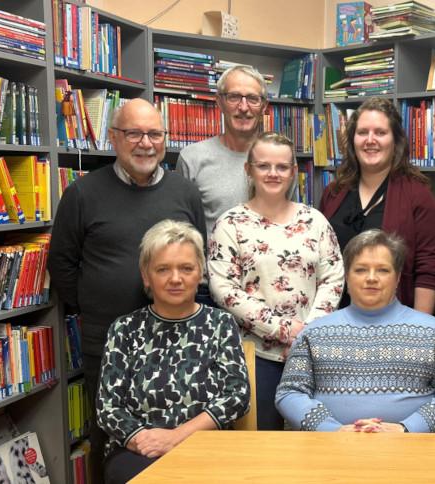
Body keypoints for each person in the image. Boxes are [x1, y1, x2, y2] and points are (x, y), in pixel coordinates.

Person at [48, 98, 205, 479]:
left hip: (178, 343)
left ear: (165, 139)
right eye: (134, 133)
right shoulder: (83, 194)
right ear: (114, 138)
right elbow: (62, 264)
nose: (146, 143)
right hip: (107, 342)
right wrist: (97, 305)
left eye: (154, 133)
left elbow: (199, 253)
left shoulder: (184, 192)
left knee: (182, 446)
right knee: (113, 443)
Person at [208, 132, 344, 430]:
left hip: (312, 352)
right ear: (249, 170)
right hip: (256, 354)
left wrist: (310, 332)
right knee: (261, 444)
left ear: (294, 171)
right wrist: (283, 329)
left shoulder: (315, 221)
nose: (273, 173)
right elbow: (224, 289)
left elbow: (333, 276)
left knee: (312, 440)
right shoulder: (229, 224)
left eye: (282, 167)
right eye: (263, 166)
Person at [97, 220, 249, 484]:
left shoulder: (221, 324)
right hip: (138, 450)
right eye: (163, 269)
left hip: (208, 446)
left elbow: (237, 396)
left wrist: (175, 437)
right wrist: (144, 440)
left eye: (186, 268)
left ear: (200, 271)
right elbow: (108, 407)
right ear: (146, 275)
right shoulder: (124, 329)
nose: (175, 278)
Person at [276, 229, 435, 432]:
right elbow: (290, 393)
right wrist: (332, 430)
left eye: (382, 270)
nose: (371, 278)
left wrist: (407, 429)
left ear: (397, 278)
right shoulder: (314, 334)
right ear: (347, 277)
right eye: (361, 270)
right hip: (330, 451)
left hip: (414, 452)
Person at [319, 97, 435, 313]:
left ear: (395, 141)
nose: (370, 140)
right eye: (363, 132)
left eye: (380, 133)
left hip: (395, 323)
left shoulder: (418, 195)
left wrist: (420, 329)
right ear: (352, 139)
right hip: (336, 321)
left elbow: (428, 268)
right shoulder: (333, 193)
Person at [176, 65, 268, 238]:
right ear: (219, 102)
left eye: (252, 99)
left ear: (264, 106)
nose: (243, 107)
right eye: (234, 97)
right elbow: (182, 232)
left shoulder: (280, 160)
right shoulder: (192, 159)